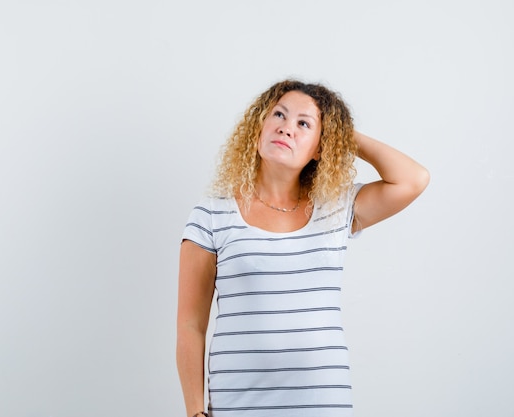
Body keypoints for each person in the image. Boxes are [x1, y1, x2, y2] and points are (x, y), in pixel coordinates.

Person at [176, 79, 429, 417]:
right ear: (258, 128)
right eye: (278, 115)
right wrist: (194, 412)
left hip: (323, 405)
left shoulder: (337, 208)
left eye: (303, 124)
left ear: (321, 146)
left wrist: (340, 131)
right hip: (238, 405)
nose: (286, 128)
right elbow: (191, 325)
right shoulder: (212, 213)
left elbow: (413, 179)